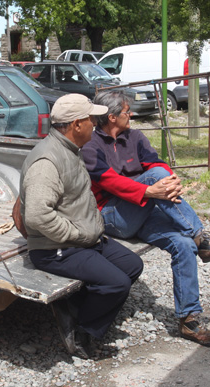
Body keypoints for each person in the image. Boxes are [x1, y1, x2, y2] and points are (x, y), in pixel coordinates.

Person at [82, 90, 210, 347]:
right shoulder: (91, 145)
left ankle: (189, 320)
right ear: (111, 117)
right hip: (111, 215)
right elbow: (108, 180)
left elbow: (157, 163)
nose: (130, 114)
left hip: (144, 208)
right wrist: (148, 189)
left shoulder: (135, 137)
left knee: (183, 244)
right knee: (154, 179)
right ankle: (203, 239)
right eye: (125, 111)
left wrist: (170, 180)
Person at [18, 94, 144, 358]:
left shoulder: (69, 149)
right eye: (90, 119)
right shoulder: (47, 161)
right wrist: (77, 235)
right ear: (76, 125)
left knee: (133, 265)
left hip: (83, 240)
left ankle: (74, 307)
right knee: (117, 284)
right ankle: (81, 333)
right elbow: (38, 217)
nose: (95, 124)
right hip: (56, 248)